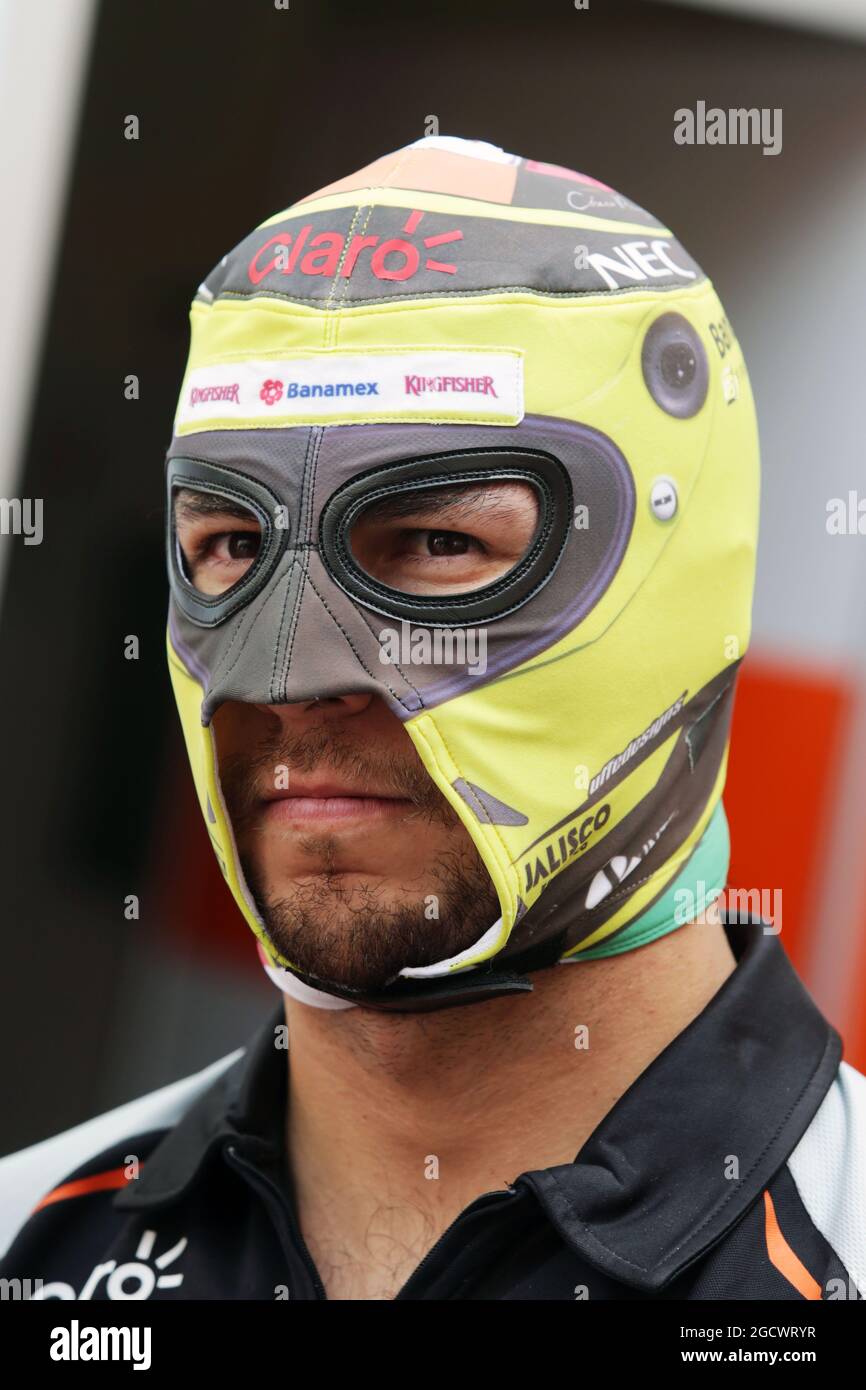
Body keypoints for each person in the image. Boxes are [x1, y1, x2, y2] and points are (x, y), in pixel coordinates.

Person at [1, 135, 863, 1302]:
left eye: (438, 543)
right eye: (234, 546)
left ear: (675, 582)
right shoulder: (27, 1240)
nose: (289, 681)